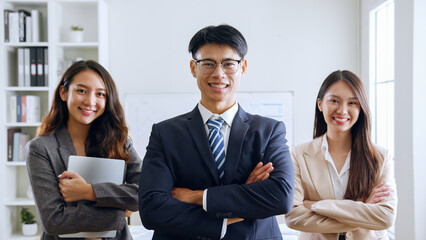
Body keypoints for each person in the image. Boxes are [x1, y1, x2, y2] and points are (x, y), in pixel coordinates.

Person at [138, 24, 294, 240]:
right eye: (208, 64)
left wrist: (199, 197)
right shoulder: (165, 134)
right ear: (194, 68)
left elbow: (281, 197)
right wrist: (238, 206)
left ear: (243, 67)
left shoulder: (269, 131)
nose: (218, 74)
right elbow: (151, 209)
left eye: (229, 64)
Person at [26, 60, 142, 240]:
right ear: (63, 93)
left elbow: (148, 191)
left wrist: (89, 191)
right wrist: (119, 211)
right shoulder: (40, 148)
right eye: (81, 91)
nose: (90, 101)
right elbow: (53, 220)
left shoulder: (120, 141)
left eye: (100, 94)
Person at [285, 70, 397, 240]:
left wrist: (316, 206)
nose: (342, 110)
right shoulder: (298, 154)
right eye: (334, 101)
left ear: (361, 108)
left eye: (352, 103)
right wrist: (364, 210)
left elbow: (386, 217)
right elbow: (293, 217)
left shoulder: (380, 156)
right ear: (320, 104)